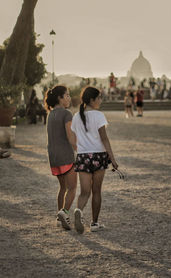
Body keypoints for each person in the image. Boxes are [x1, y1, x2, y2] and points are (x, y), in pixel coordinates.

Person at [71, 86, 118, 234]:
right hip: (99, 156)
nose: (100, 100)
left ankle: (79, 210)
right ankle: (94, 223)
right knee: (96, 191)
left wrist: (81, 150)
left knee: (85, 192)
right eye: (99, 98)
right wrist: (113, 159)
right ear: (92, 100)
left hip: (83, 156)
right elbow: (104, 138)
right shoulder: (99, 116)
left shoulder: (76, 117)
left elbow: (74, 138)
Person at [44, 85, 78, 230]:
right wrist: (79, 149)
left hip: (53, 157)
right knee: (72, 188)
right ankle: (64, 213)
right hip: (65, 156)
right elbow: (70, 137)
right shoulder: (66, 113)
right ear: (60, 98)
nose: (69, 98)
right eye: (67, 95)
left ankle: (59, 218)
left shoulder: (50, 114)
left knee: (62, 188)